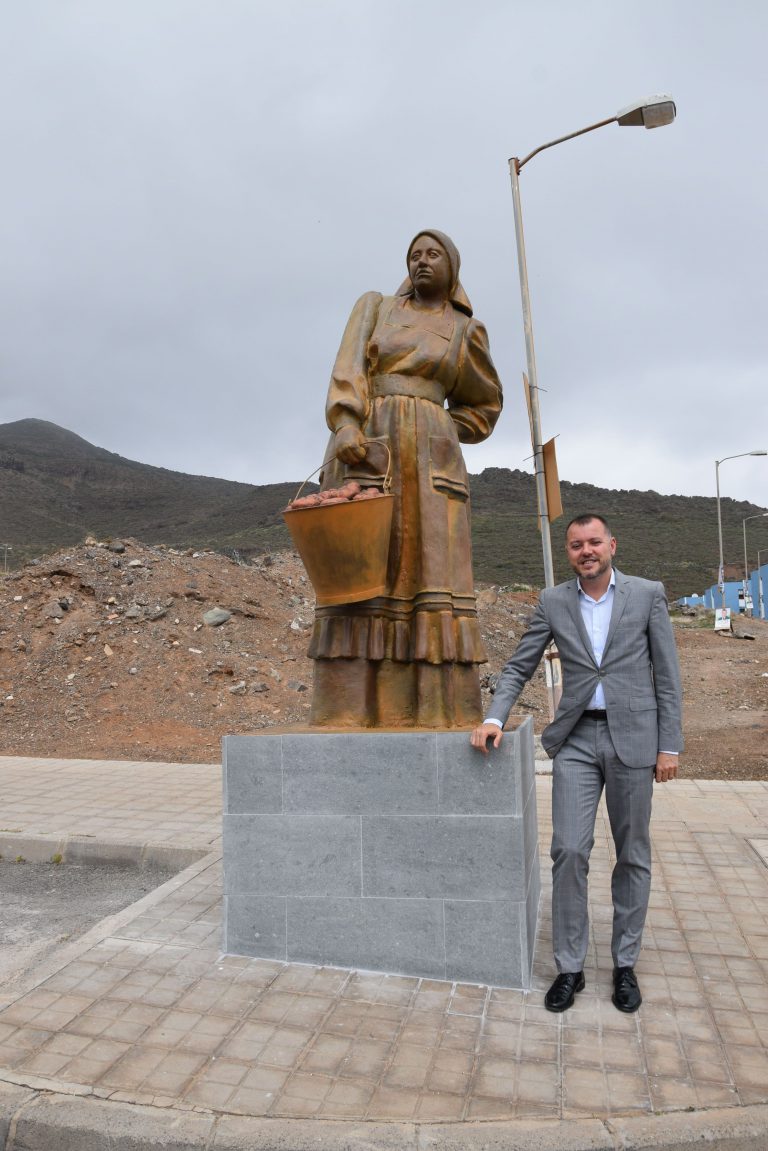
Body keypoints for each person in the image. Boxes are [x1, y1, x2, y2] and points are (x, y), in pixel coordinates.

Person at [470, 514, 683, 1013]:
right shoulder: (553, 601)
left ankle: (625, 964)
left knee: (633, 853)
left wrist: (669, 746)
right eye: (575, 545)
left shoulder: (647, 594)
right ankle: (570, 967)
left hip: (635, 738)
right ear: (568, 552)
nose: (586, 551)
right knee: (568, 850)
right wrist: (495, 717)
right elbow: (520, 664)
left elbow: (668, 675)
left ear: (612, 545)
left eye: (594, 542)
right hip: (577, 739)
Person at [308, 229, 503, 728]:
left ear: (451, 267)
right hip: (367, 446)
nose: (422, 261)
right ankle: (349, 710)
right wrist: (347, 421)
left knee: (430, 575)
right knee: (362, 567)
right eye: (414, 255)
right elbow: (348, 366)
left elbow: (484, 405)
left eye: (433, 254)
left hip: (430, 463)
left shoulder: (466, 331)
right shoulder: (374, 307)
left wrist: (440, 428)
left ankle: (435, 710)